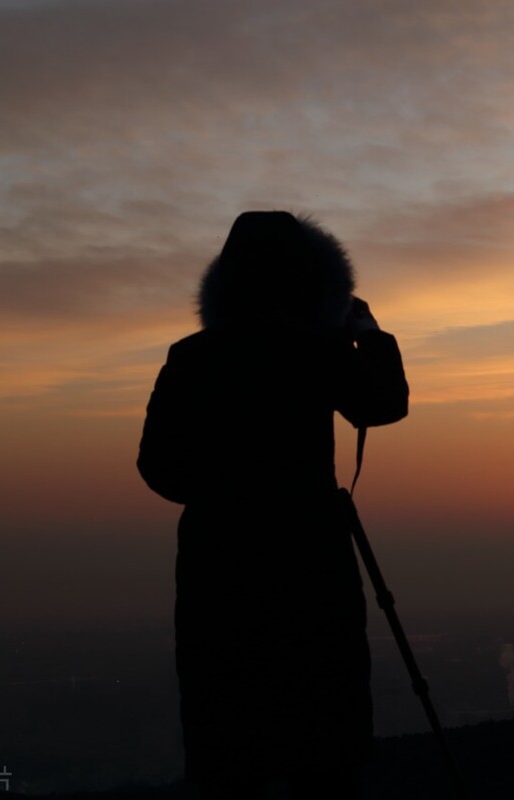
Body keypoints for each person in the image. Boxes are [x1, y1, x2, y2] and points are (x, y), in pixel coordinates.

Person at [137, 211, 409, 799]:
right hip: (312, 568)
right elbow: (384, 404)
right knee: (325, 751)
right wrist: (368, 332)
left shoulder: (192, 358)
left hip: (218, 573)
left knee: (231, 752)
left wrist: (223, 494)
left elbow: (158, 468)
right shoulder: (316, 353)